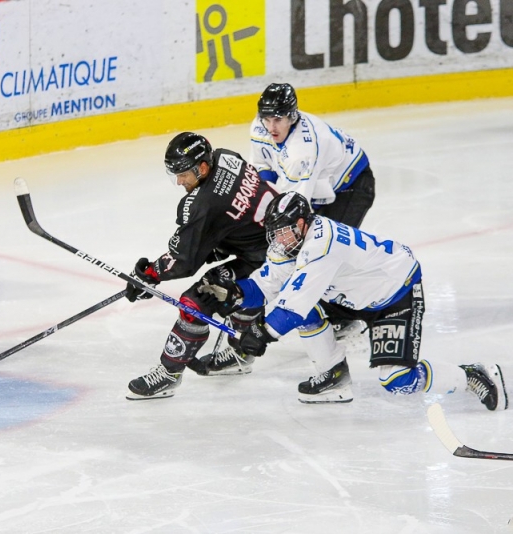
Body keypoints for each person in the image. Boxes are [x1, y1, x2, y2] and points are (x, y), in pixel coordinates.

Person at [199, 192, 508, 410]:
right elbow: (269, 284)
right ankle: (333, 375)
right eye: (275, 233)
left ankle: (471, 375)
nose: (280, 240)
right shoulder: (288, 244)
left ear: (304, 223)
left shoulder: (321, 244)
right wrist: (235, 292)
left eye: (285, 232)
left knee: (398, 380)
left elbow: (292, 305)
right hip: (350, 293)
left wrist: (261, 333)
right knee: (304, 310)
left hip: (394, 292)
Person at [124, 132, 279, 400]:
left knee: (195, 303)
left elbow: (184, 260)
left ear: (203, 167)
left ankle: (169, 374)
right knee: (226, 280)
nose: (180, 181)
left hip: (268, 260)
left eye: (184, 174)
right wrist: (215, 247)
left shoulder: (202, 205)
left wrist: (150, 273)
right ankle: (240, 354)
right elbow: (234, 215)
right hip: (278, 244)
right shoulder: (227, 157)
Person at [249, 83, 375, 228]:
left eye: (278, 120)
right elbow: (262, 165)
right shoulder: (259, 126)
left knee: (329, 246)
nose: (271, 128)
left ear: (291, 116)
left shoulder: (300, 152)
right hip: (319, 181)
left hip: (351, 186)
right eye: (267, 119)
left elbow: (294, 206)